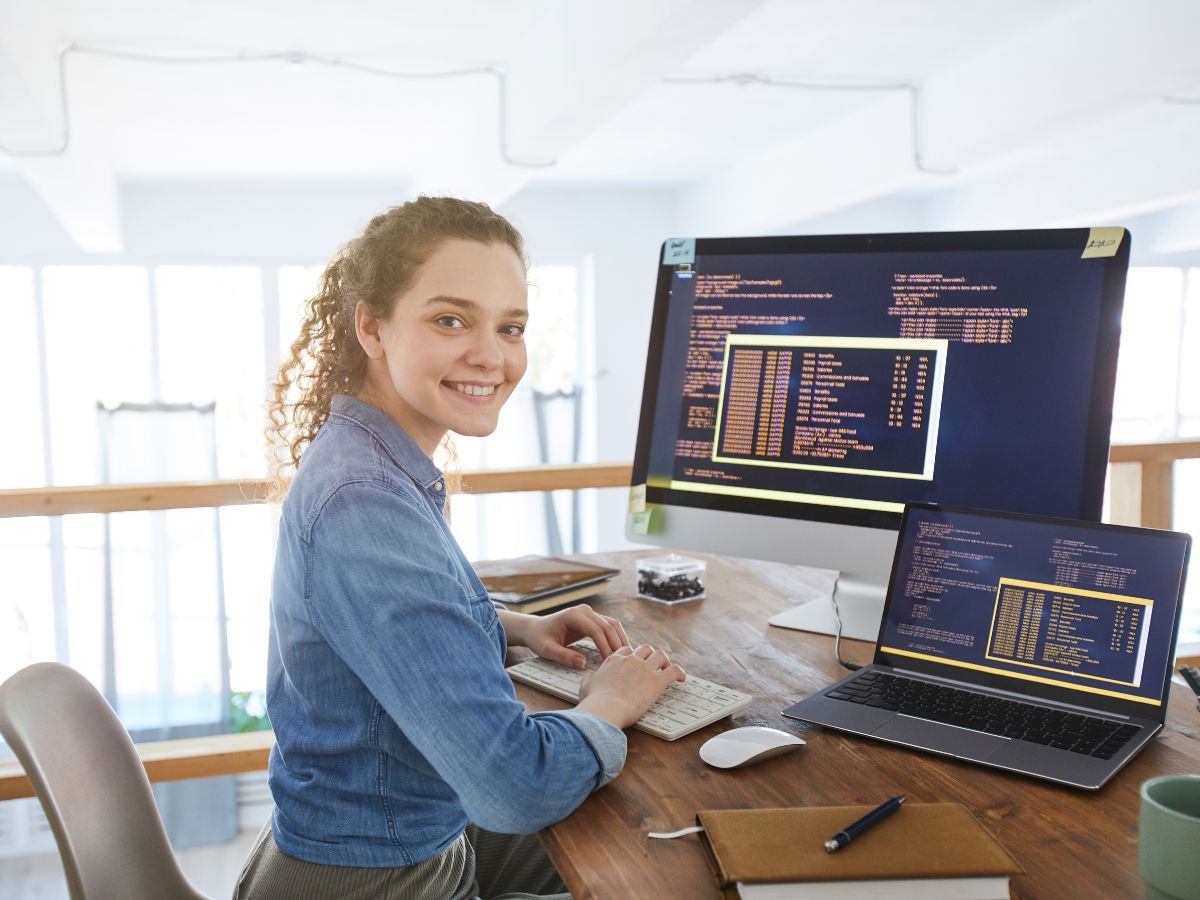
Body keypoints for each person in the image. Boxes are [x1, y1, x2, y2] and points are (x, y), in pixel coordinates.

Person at [235, 197, 686, 900]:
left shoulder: (371, 464)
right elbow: (515, 789)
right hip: (376, 879)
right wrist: (607, 704)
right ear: (372, 327)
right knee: (670, 875)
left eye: (511, 327)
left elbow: (375, 624)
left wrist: (510, 625)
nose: (492, 356)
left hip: (390, 838)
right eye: (451, 320)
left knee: (644, 846)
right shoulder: (364, 501)